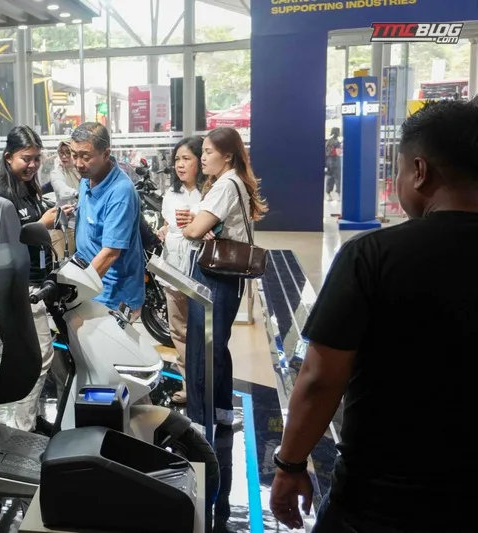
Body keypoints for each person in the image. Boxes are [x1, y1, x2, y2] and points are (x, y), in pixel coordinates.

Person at [270, 100, 478, 532]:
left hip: (381, 500)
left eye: (398, 171)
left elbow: (321, 377)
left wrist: (290, 464)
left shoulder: (372, 256)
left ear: (419, 171)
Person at [0, 125, 72, 432]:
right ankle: (24, 428)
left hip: (34, 283)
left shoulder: (28, 188)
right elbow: (5, 243)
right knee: (39, 357)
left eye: (36, 159)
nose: (32, 165)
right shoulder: (0, 195)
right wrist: (41, 224)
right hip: (17, 286)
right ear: (8, 157)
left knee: (38, 356)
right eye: (25, 159)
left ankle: (25, 422)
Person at [182, 127, 268, 427]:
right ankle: (221, 410)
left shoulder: (226, 185)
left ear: (227, 156)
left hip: (213, 276)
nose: (202, 157)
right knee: (216, 345)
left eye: (208, 152)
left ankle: (198, 422)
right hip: (227, 277)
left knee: (202, 349)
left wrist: (191, 227)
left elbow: (193, 231)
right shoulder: (235, 182)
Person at [71, 122, 145, 315]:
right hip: (91, 284)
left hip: (112, 295)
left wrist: (78, 289)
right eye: (74, 155)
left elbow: (111, 253)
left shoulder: (120, 192)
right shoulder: (87, 178)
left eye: (85, 156)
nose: (78, 163)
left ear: (106, 154)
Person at [156, 136, 206, 405]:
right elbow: (169, 224)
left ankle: (206, 384)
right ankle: (189, 386)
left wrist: (197, 222)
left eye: (186, 158)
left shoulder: (211, 192)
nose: (180, 164)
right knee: (179, 330)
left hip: (201, 270)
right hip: (173, 269)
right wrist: (165, 230)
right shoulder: (171, 195)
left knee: (203, 331)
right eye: (177, 159)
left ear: (200, 160)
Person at [50, 140, 81, 258]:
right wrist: (78, 194)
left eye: (68, 152)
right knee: (63, 266)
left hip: (83, 227)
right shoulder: (57, 172)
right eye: (61, 152)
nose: (64, 156)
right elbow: (61, 189)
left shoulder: (81, 171)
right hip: (66, 227)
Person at [325, 127, 342, 201]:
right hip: (335, 161)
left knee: (329, 178)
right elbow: (338, 153)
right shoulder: (336, 142)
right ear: (336, 132)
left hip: (329, 161)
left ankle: (328, 195)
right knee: (337, 178)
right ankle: (338, 195)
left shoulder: (328, 141)